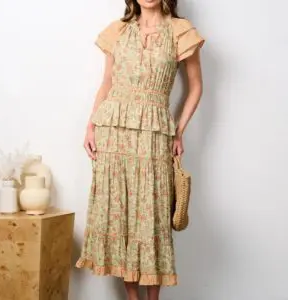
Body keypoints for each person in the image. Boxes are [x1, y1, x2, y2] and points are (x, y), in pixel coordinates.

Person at [76, 0, 205, 299]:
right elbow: (107, 82)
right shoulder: (118, 31)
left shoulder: (180, 31)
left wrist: (179, 130)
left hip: (154, 133)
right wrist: (91, 126)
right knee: (119, 213)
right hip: (113, 131)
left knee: (153, 216)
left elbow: (196, 86)